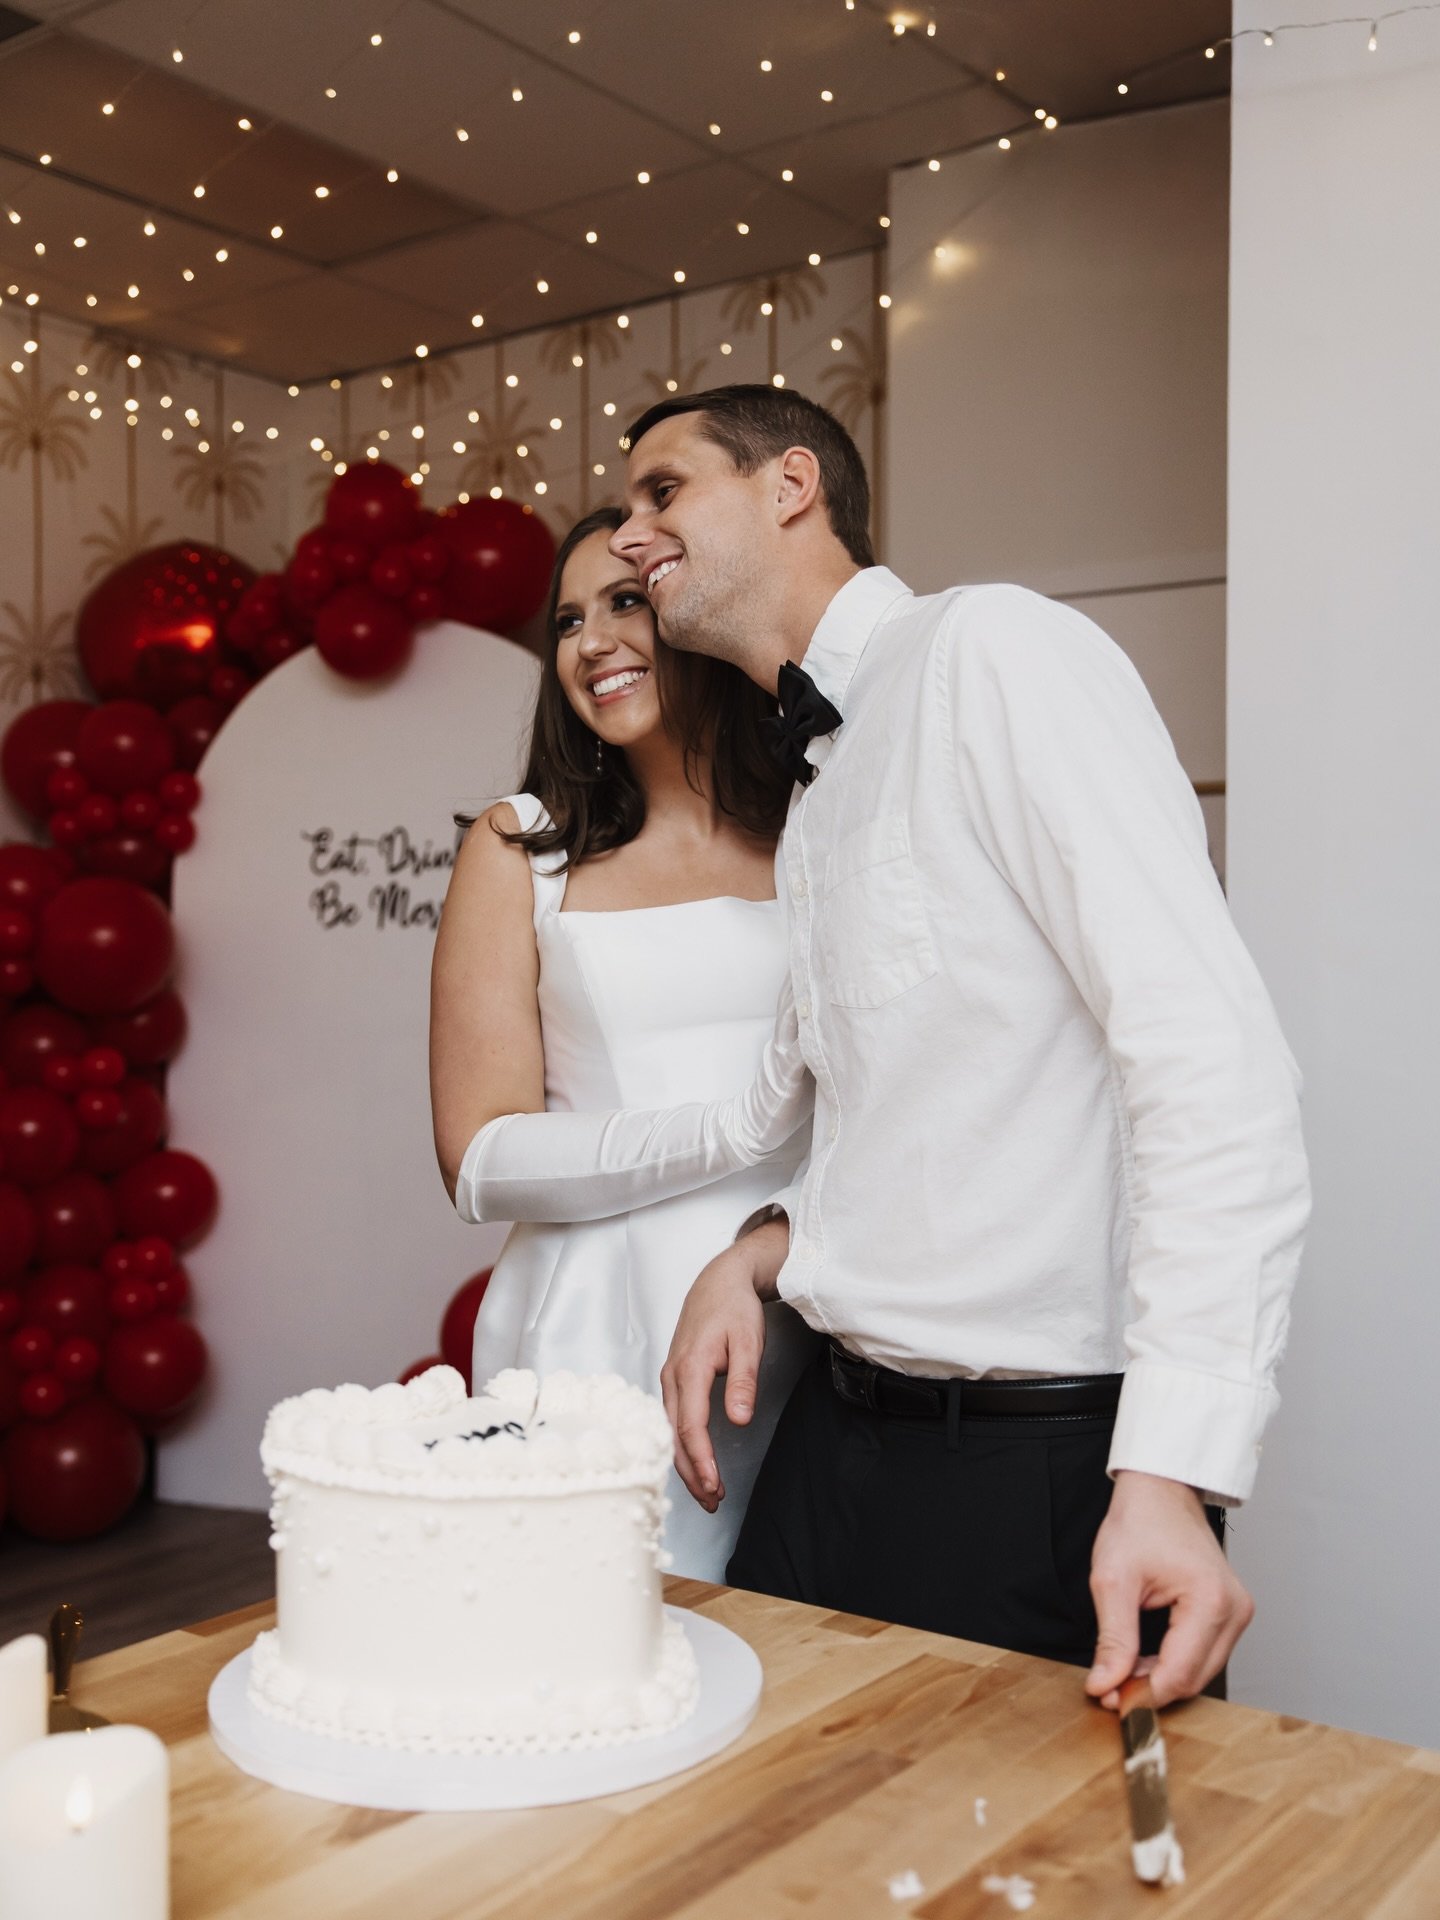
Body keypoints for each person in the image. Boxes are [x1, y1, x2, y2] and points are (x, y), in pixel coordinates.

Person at [602, 385, 1310, 1710]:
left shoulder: (994, 650)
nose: (630, 535)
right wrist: (763, 1246)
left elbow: (1209, 1059)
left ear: (790, 485)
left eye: (662, 492)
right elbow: (919, 1111)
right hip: (835, 1442)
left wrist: (1170, 1476)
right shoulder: (815, 782)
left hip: (1036, 1470)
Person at [429, 505, 817, 1580]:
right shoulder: (519, 850)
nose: (590, 642)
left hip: (805, 1318)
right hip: (598, 1338)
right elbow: (480, 1161)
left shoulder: (819, 834)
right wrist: (733, 1128)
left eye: (626, 603)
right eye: (566, 620)